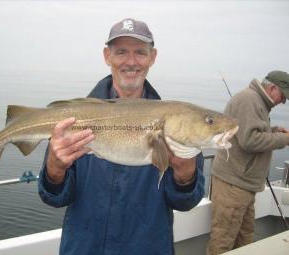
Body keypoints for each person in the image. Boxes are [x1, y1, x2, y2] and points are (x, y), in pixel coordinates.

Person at [38, 18, 205, 255]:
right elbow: (54, 198)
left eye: (140, 52)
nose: (131, 62)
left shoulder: (176, 124)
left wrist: (186, 175)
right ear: (107, 56)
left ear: (153, 57)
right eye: (121, 52)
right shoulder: (76, 119)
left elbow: (185, 202)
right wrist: (54, 170)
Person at [206, 70, 289, 255]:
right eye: (283, 95)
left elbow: (249, 131)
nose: (284, 101)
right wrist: (284, 139)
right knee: (223, 243)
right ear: (273, 87)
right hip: (233, 185)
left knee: (245, 241)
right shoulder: (249, 100)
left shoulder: (257, 101)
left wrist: (274, 130)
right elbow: (249, 141)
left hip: (244, 185)